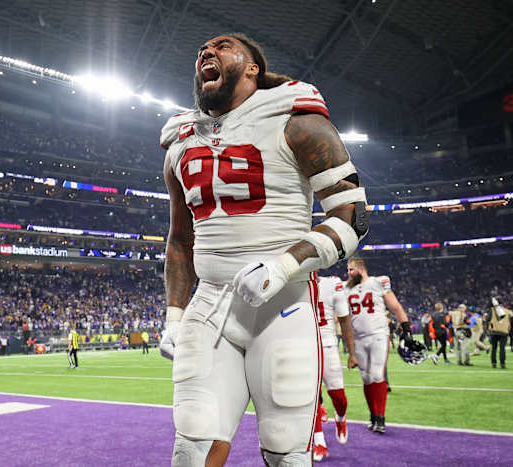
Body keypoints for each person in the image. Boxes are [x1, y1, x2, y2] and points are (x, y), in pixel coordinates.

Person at [158, 33, 369, 467]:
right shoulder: (181, 141)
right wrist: (175, 315)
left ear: (252, 67)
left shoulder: (295, 120)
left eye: (222, 45)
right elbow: (180, 238)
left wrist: (283, 265)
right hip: (210, 306)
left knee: (286, 454)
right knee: (190, 451)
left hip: (284, 307)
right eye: (201, 49)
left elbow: (354, 215)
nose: (206, 51)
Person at [345, 258, 413, 435]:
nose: (348, 273)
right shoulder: (347, 288)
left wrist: (406, 329)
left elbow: (396, 307)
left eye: (351, 270)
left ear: (361, 269)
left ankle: (381, 418)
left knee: (376, 374)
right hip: (359, 338)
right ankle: (373, 416)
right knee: (366, 379)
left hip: (378, 334)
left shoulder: (378, 282)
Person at [312, 276, 358, 461]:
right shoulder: (293, 284)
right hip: (305, 348)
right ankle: (320, 442)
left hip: (328, 344)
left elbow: (345, 320)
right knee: (310, 399)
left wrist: (352, 353)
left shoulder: (332, 284)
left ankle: (340, 417)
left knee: (339, 398)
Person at [488, 298, 512, 369]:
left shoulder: (492, 310)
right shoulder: (507, 311)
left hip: (494, 331)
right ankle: (502, 364)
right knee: (502, 348)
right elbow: (511, 321)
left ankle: (493, 363)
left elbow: (487, 319)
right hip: (504, 332)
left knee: (494, 348)